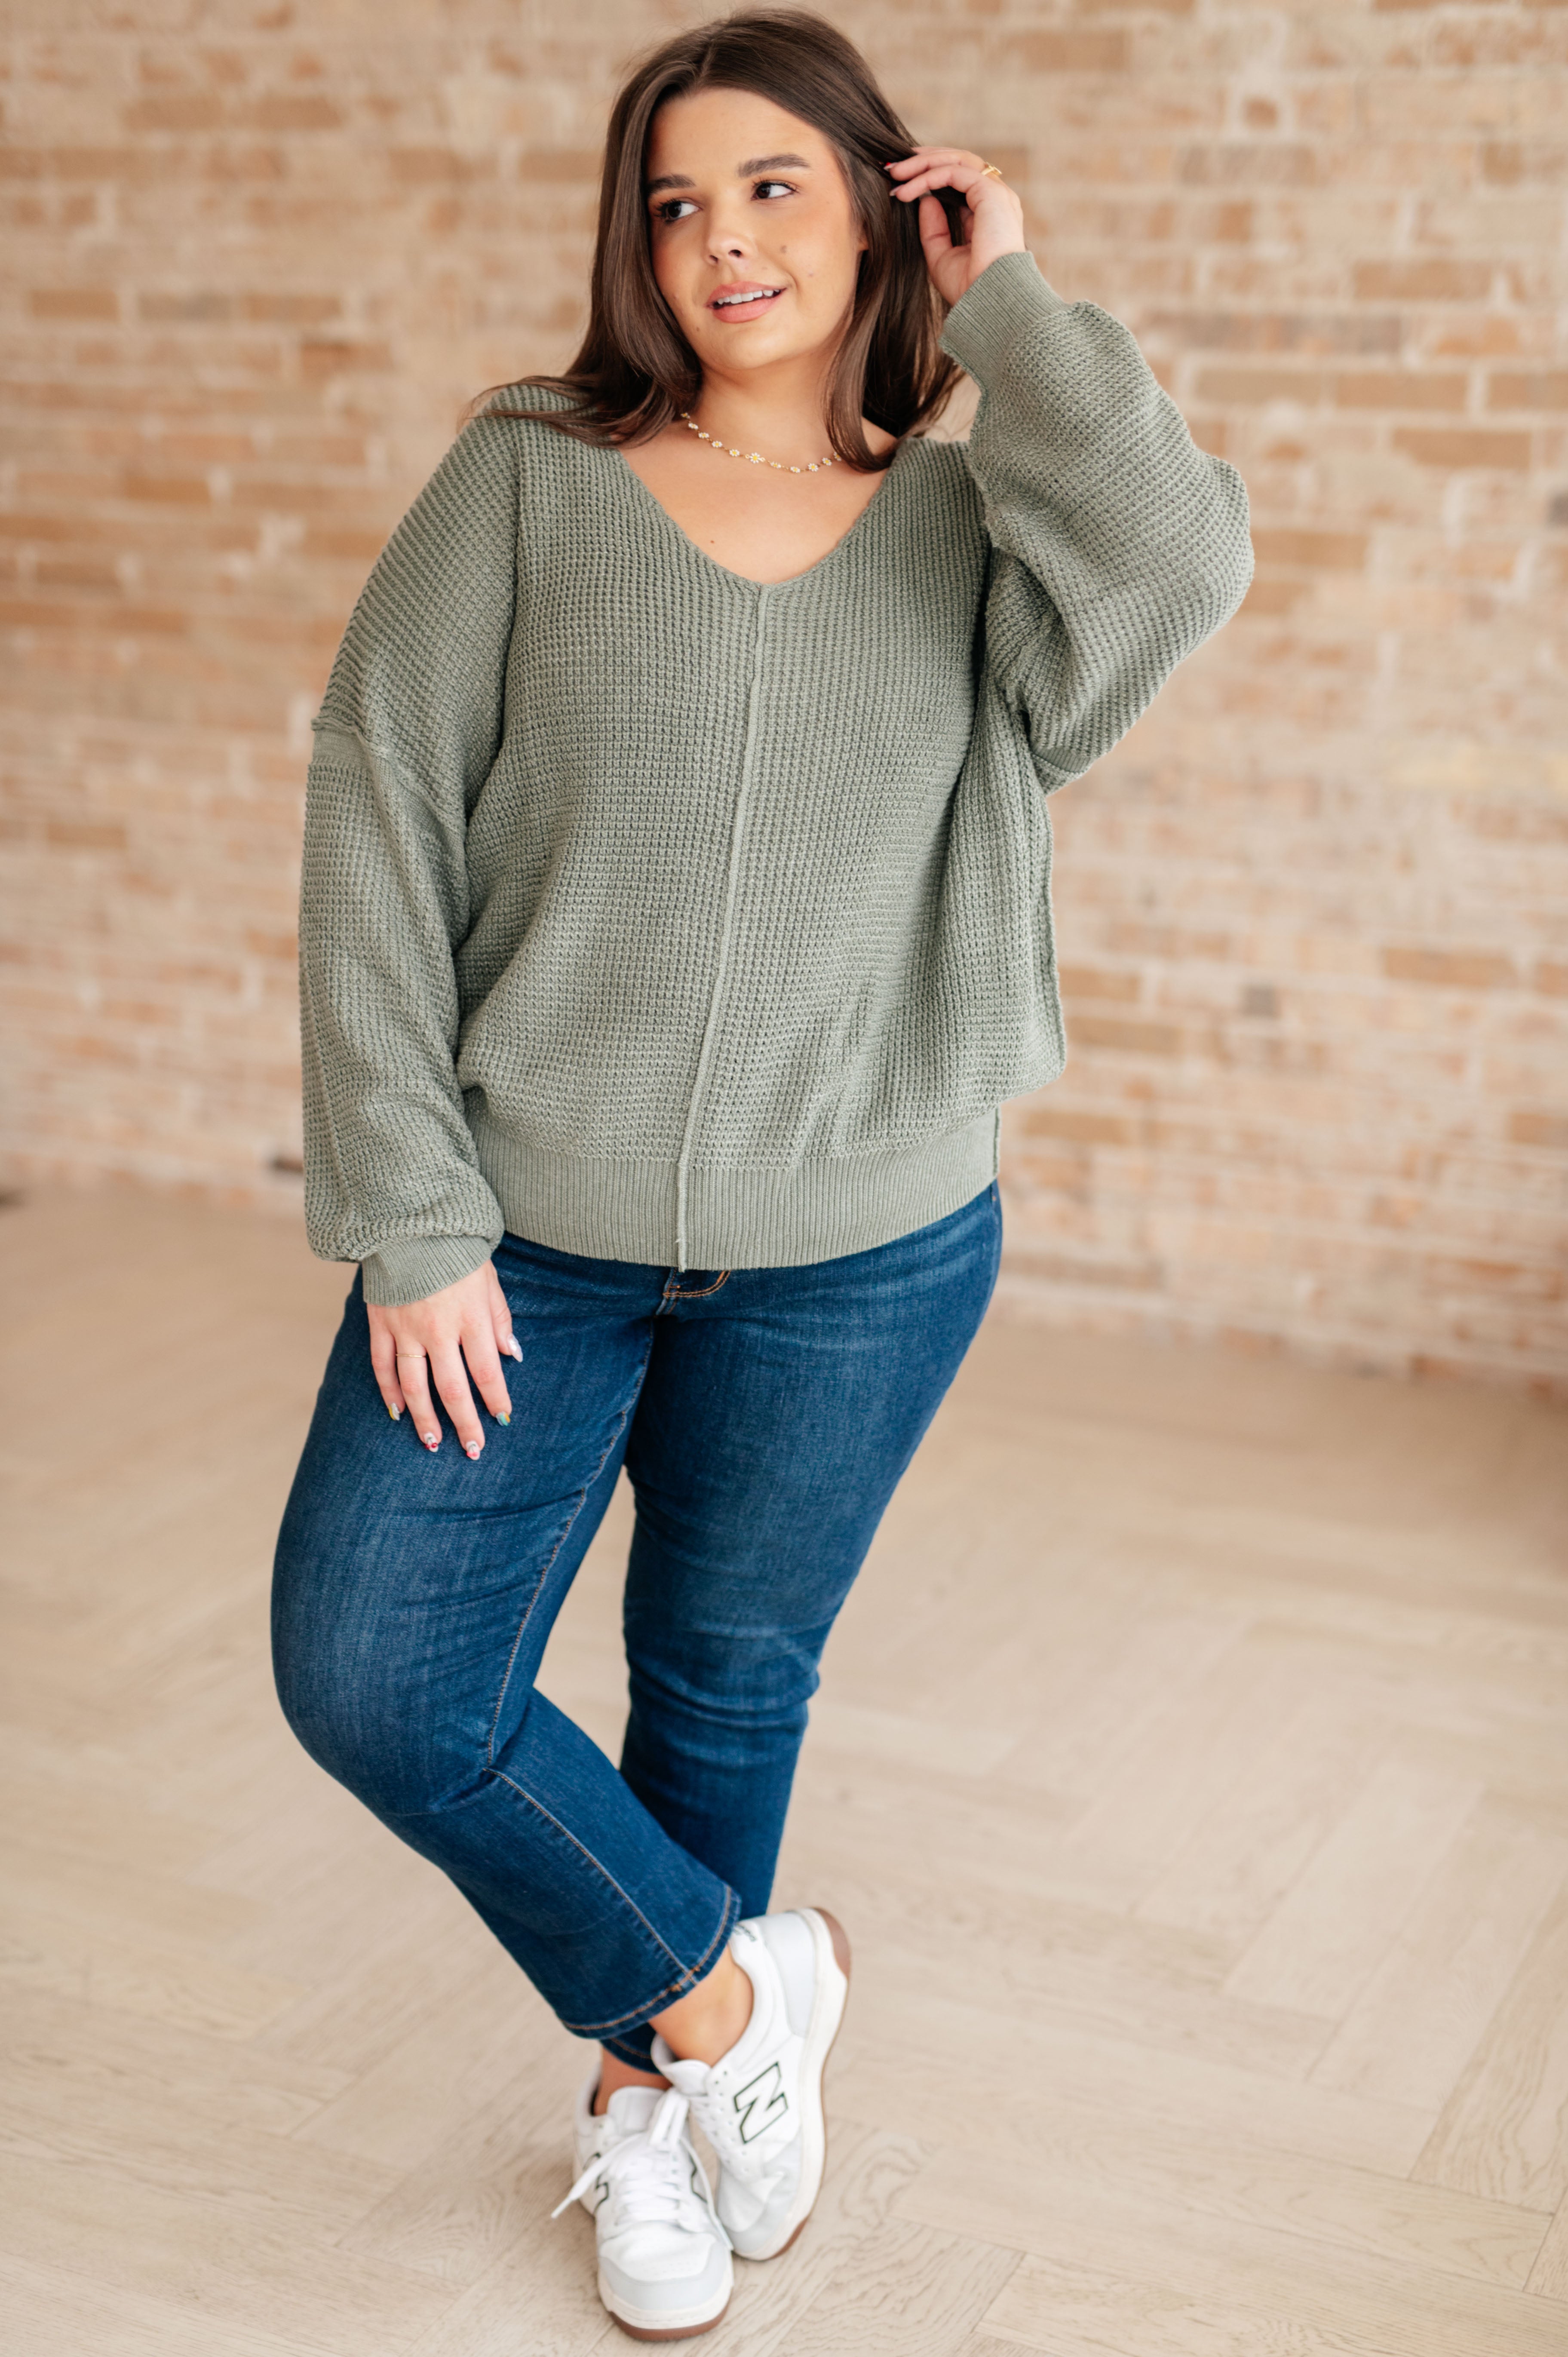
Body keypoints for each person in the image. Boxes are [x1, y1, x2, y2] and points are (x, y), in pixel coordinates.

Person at [271, 8, 1252, 2340]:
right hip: (521, 1239)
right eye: (677, 202)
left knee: (722, 1687)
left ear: (885, 207)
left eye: (775, 186)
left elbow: (1184, 560)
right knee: (379, 1672)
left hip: (866, 1251)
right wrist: (413, 1212)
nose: (721, 238)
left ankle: (647, 2130)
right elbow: (376, 810)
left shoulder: (982, 521)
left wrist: (1015, 307)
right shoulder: (529, 478)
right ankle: (731, 2005)